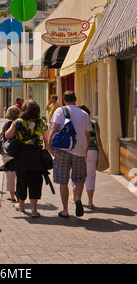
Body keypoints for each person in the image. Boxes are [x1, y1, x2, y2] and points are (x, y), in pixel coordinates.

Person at [47, 90, 91, 219]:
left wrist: (49, 145)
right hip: (80, 151)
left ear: (64, 100)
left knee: (63, 181)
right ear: (75, 99)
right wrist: (86, 150)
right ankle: (78, 199)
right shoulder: (84, 114)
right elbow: (87, 134)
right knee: (79, 178)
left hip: (63, 150)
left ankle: (65, 210)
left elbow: (54, 128)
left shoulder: (60, 111)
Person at [5, 100, 49, 218]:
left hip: (21, 155)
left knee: (22, 180)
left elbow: (7, 135)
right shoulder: (41, 122)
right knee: (36, 181)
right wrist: (47, 151)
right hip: (36, 155)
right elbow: (46, 140)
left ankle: (21, 206)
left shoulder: (18, 122)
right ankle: (34, 210)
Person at [71, 105, 102, 209]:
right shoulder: (94, 124)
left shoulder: (75, 123)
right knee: (91, 176)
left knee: (76, 175)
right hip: (92, 151)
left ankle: (75, 198)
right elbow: (98, 140)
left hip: (79, 151)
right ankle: (90, 201)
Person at [0, 106, 20, 202]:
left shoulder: (7, 124)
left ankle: (12, 196)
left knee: (9, 175)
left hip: (7, 152)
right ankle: (20, 194)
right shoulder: (20, 124)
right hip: (17, 152)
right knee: (18, 175)